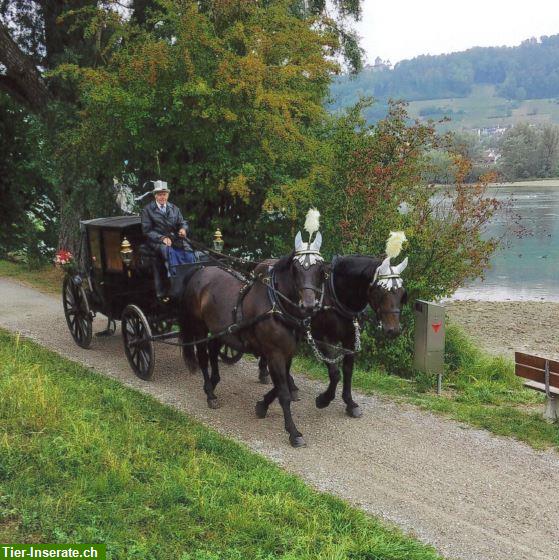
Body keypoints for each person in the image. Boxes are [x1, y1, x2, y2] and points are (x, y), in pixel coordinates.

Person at [141, 180, 195, 298]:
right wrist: (162, 238)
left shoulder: (174, 208)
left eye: (164, 194)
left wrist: (183, 229)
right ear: (155, 195)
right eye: (159, 194)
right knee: (168, 251)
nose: (162, 197)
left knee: (189, 250)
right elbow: (147, 230)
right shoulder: (147, 210)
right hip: (156, 241)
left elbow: (183, 222)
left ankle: (191, 280)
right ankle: (174, 283)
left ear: (168, 195)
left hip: (175, 239)